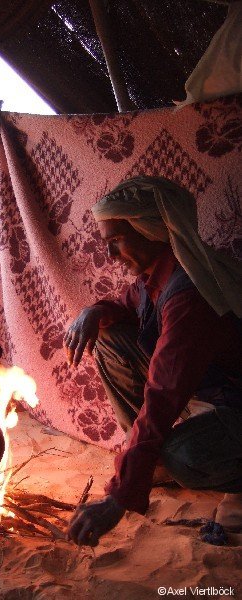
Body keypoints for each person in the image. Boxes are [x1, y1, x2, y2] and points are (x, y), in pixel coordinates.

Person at [64, 176, 242, 547]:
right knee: (110, 336)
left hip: (233, 404)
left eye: (116, 241)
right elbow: (125, 307)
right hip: (206, 397)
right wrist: (93, 310)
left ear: (152, 231)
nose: (109, 255)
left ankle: (230, 486)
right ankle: (146, 458)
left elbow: (163, 394)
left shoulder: (189, 296)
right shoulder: (156, 275)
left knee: (184, 455)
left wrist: (118, 498)